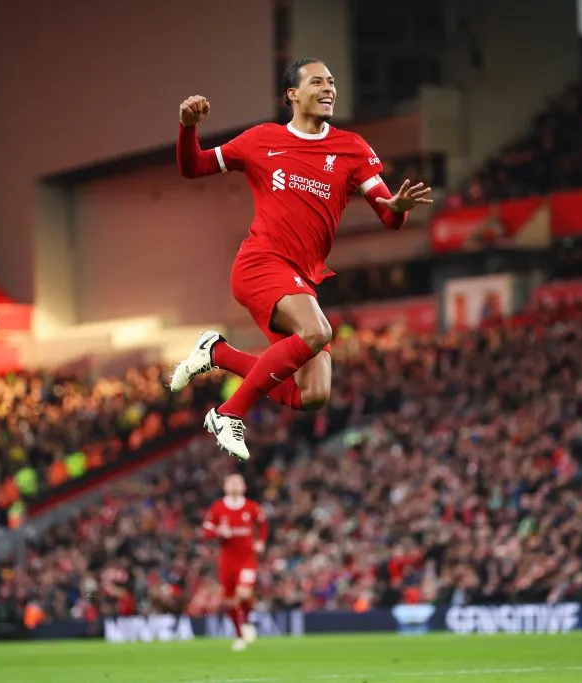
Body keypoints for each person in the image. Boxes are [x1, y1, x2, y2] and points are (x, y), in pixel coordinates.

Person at [171, 57, 433, 459]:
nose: (328, 88)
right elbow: (194, 167)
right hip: (260, 265)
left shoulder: (352, 148)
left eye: (331, 81)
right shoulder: (261, 139)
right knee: (317, 332)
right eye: (317, 82)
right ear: (292, 94)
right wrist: (188, 128)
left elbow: (390, 218)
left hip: (300, 282)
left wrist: (396, 205)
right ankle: (227, 413)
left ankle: (216, 353)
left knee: (313, 395)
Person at [202, 473, 269, 652]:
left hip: (247, 559)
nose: (234, 485)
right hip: (227, 561)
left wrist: (261, 541)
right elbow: (206, 532)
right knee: (230, 600)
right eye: (230, 482)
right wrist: (218, 531)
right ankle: (239, 634)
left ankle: (246, 620)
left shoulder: (252, 507)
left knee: (245, 593)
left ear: (244, 487)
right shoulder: (217, 508)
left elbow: (263, 525)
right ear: (225, 487)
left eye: (238, 482)